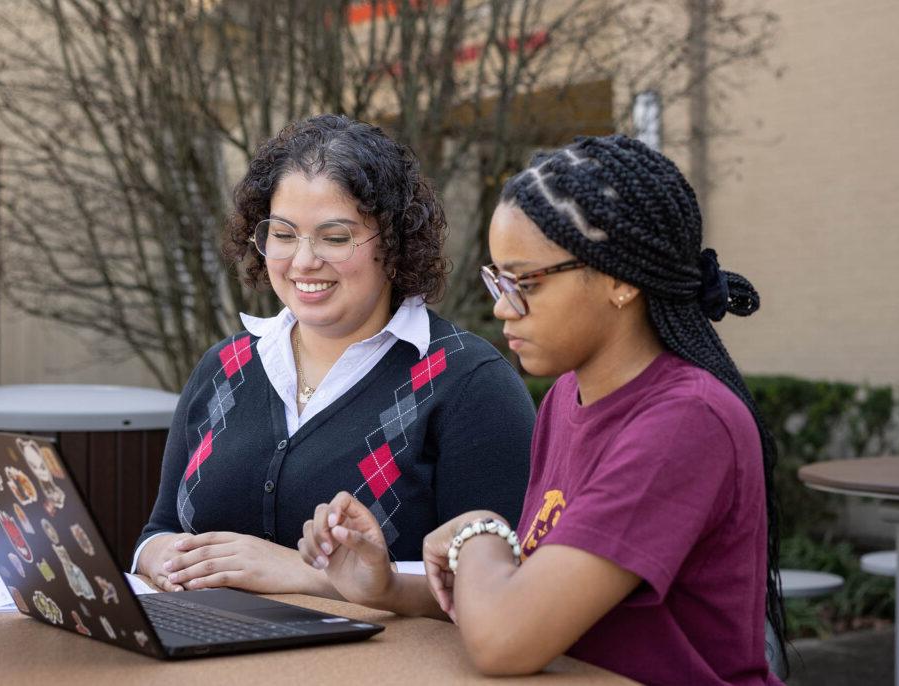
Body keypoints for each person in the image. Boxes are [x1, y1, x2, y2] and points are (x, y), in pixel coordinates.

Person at [298, 134, 783, 684]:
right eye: (498, 279)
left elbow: (507, 640)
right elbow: (532, 593)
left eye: (524, 281)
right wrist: (388, 587)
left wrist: (478, 531)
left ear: (619, 280)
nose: (503, 306)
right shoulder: (565, 400)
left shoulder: (684, 423)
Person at [133, 115, 534, 601]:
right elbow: (158, 528)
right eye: (282, 234)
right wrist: (164, 556)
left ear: (394, 243)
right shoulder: (225, 367)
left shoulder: (470, 385)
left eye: (335, 237)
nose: (303, 261)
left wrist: (308, 577)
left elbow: (507, 590)